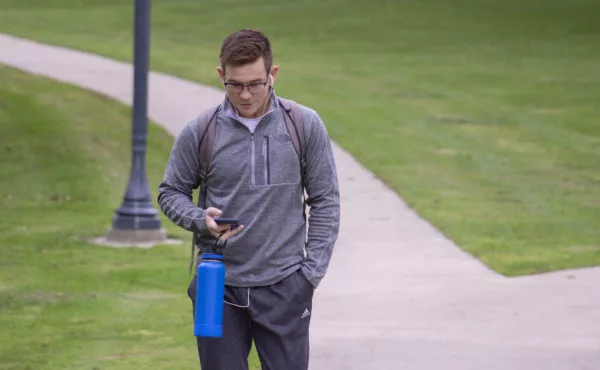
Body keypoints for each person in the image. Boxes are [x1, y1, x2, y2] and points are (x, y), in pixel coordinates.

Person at [157, 28, 340, 370]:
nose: (244, 95)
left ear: (273, 74)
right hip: (218, 287)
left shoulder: (304, 125)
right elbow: (171, 192)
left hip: (285, 286)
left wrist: (309, 276)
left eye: (255, 83)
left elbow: (325, 200)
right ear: (221, 75)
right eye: (234, 84)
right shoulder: (200, 130)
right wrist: (201, 220)